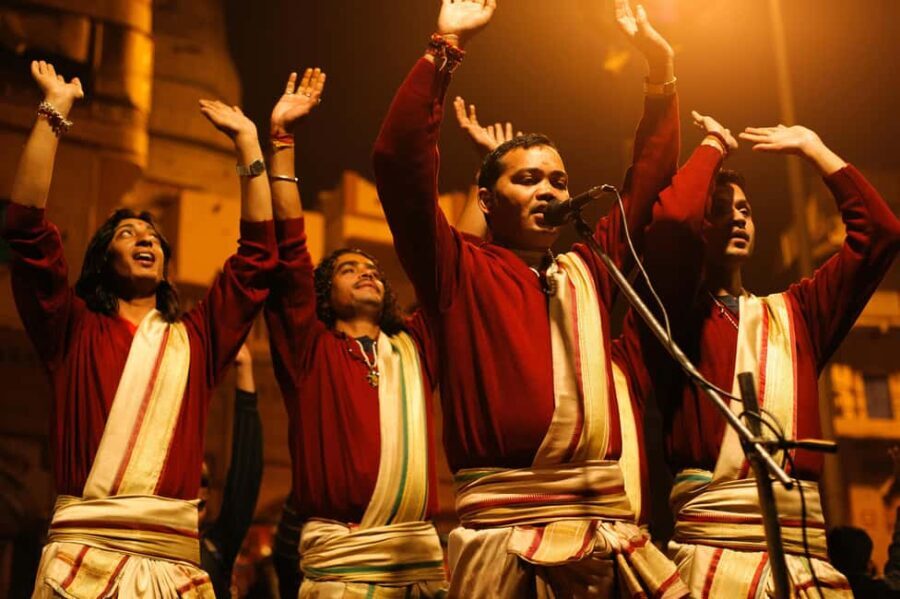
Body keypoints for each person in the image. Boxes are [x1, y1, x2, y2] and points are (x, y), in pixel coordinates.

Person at [373, 0, 689, 596]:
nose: (548, 189)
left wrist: (661, 69)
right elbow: (399, 164)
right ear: (487, 202)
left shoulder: (591, 269)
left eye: (559, 180)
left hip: (604, 539)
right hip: (504, 544)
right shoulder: (459, 270)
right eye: (528, 178)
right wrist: (445, 48)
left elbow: (646, 181)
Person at [3, 60, 277, 597]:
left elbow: (259, 258)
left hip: (172, 574)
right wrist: (53, 113)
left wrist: (250, 146)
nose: (145, 238)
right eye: (128, 233)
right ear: (104, 259)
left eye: (152, 235)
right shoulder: (72, 329)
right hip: (79, 568)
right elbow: (27, 229)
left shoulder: (196, 341)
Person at [640, 111, 900, 596]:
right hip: (710, 561)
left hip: (801, 561)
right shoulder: (671, 313)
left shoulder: (796, 313)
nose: (738, 216)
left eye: (746, 209)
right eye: (720, 208)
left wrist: (814, 147)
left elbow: (880, 235)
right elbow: (672, 220)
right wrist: (715, 143)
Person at [263, 68, 447, 597]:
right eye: (348, 268)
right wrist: (281, 140)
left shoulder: (415, 349)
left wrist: (488, 188)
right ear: (323, 294)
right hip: (341, 567)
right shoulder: (308, 348)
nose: (367, 271)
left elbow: (453, 269)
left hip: (418, 567)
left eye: (372, 268)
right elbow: (290, 250)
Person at [199, 343, 264, 598]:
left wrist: (245, 369)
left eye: (204, 482)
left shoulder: (217, 544)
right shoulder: (152, 546)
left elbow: (245, 478)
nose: (199, 491)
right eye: (190, 481)